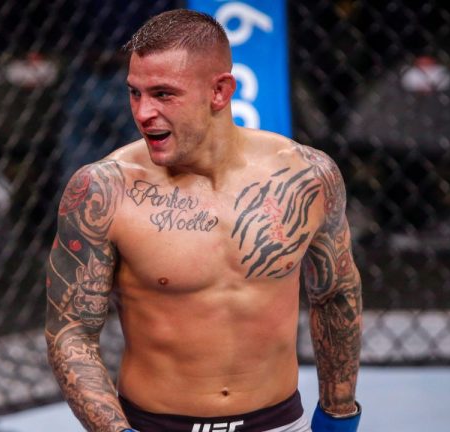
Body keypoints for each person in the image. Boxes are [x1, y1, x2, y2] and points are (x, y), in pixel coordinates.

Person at [45, 9, 362, 432]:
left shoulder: (306, 176)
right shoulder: (104, 191)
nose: (143, 113)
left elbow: (336, 294)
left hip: (280, 422)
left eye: (163, 94)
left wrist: (338, 416)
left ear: (220, 91)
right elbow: (71, 332)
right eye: (135, 93)